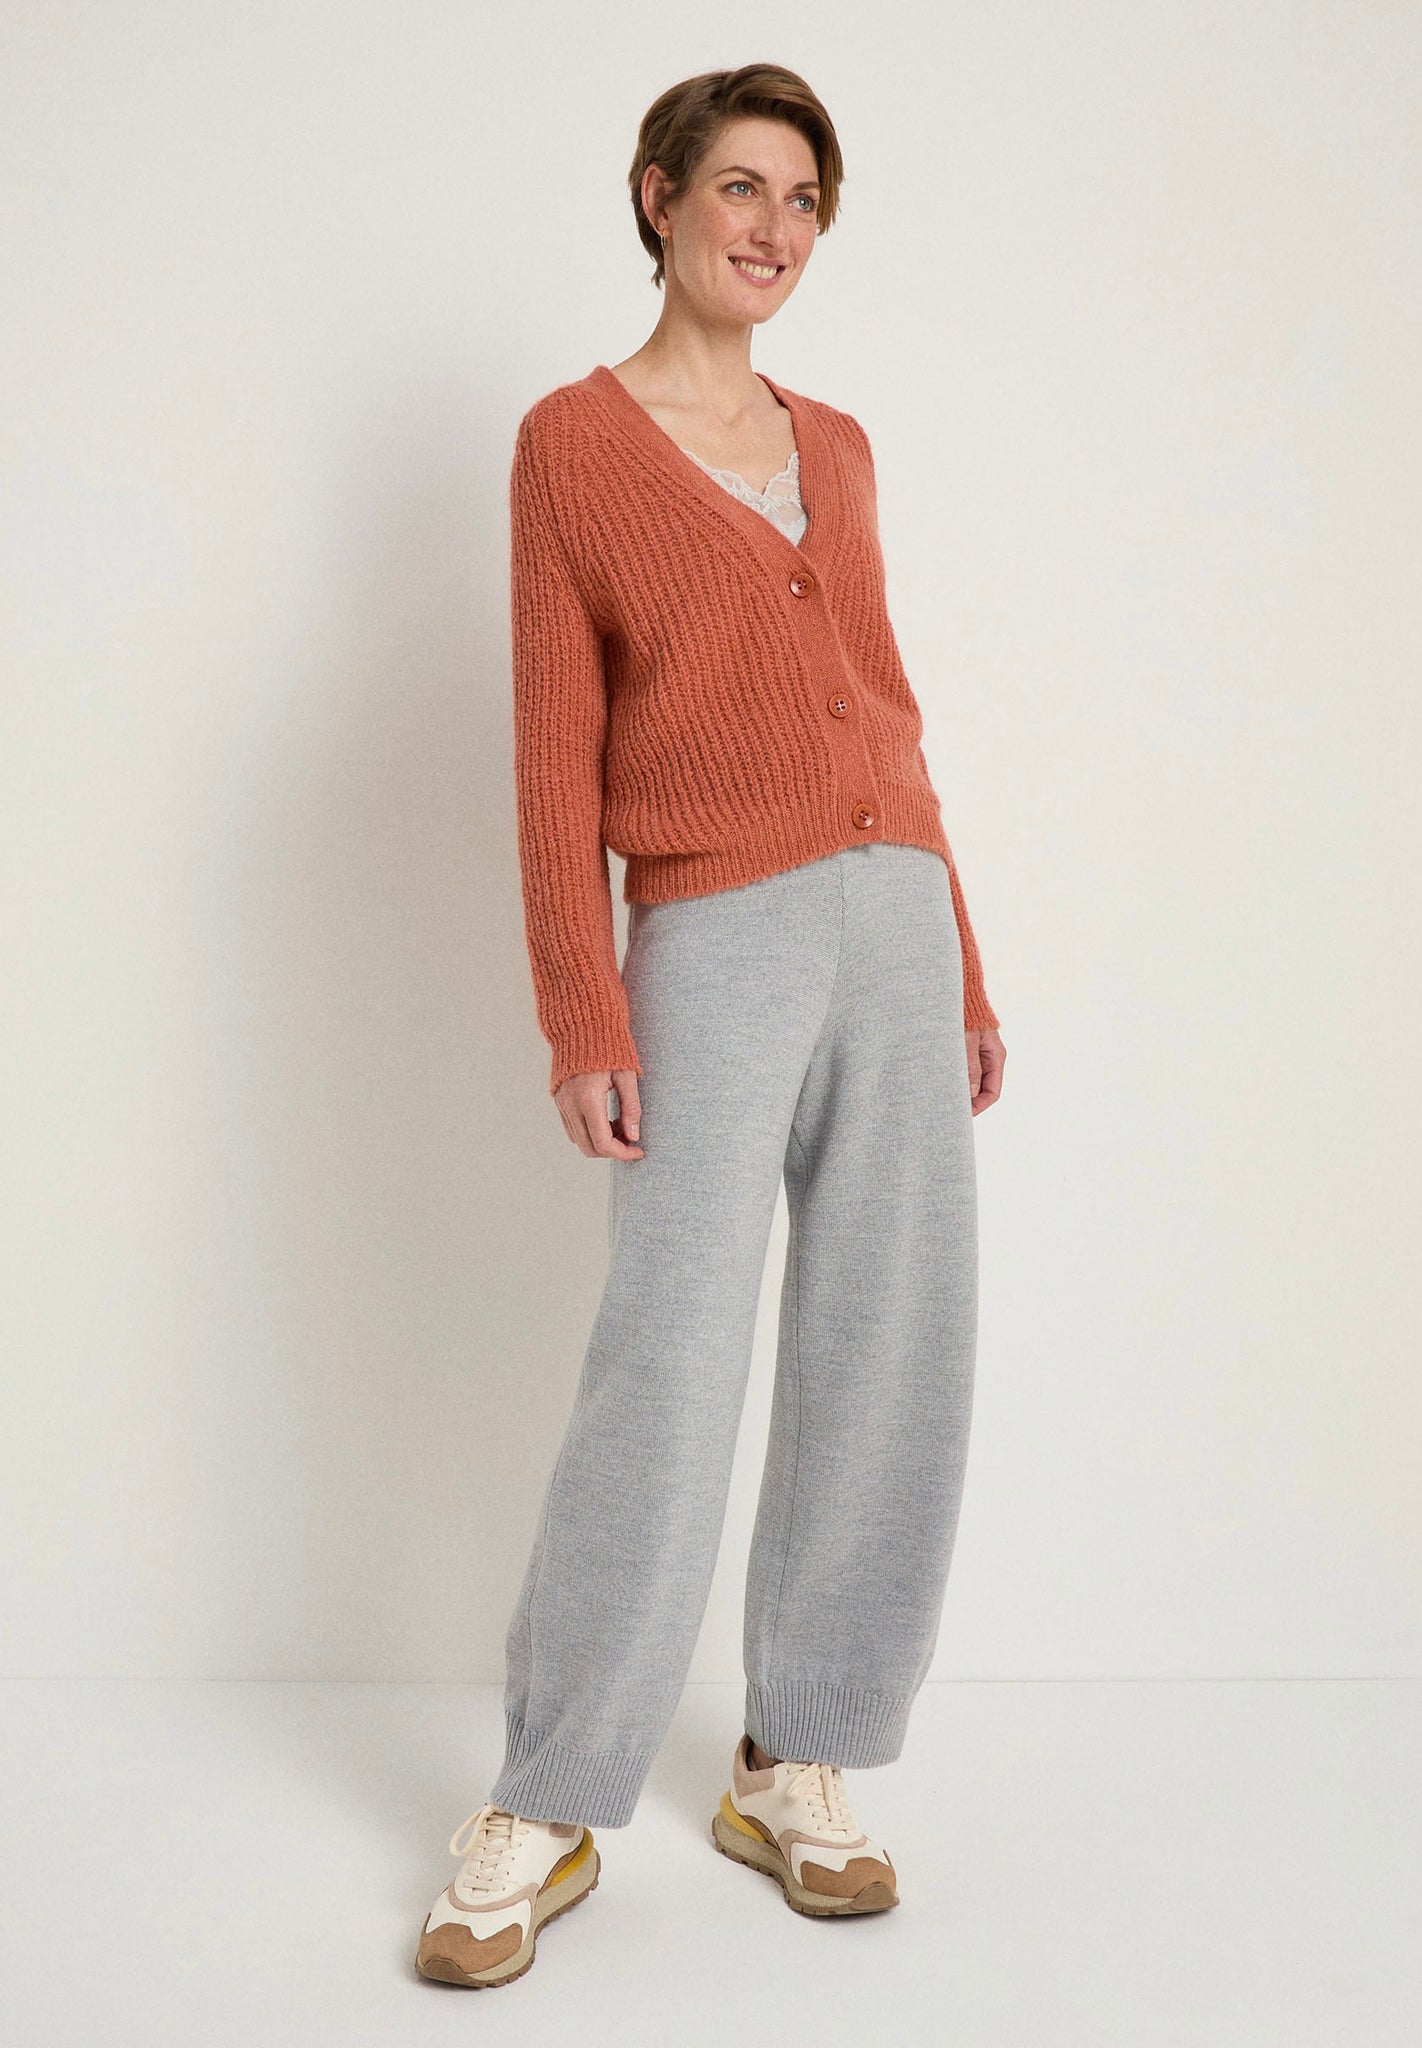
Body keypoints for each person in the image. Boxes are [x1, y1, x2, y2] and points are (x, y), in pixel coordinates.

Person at [417, 62, 1007, 1988]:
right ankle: (548, 1789)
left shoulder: (838, 444)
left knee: (887, 1341)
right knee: (665, 1357)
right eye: (740, 187)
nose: (773, 227)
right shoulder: (571, 445)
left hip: (892, 914)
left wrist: (961, 962)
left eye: (803, 200)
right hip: (711, 929)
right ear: (659, 197)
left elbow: (887, 705)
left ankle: (794, 1756)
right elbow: (552, 747)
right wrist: (577, 1003)